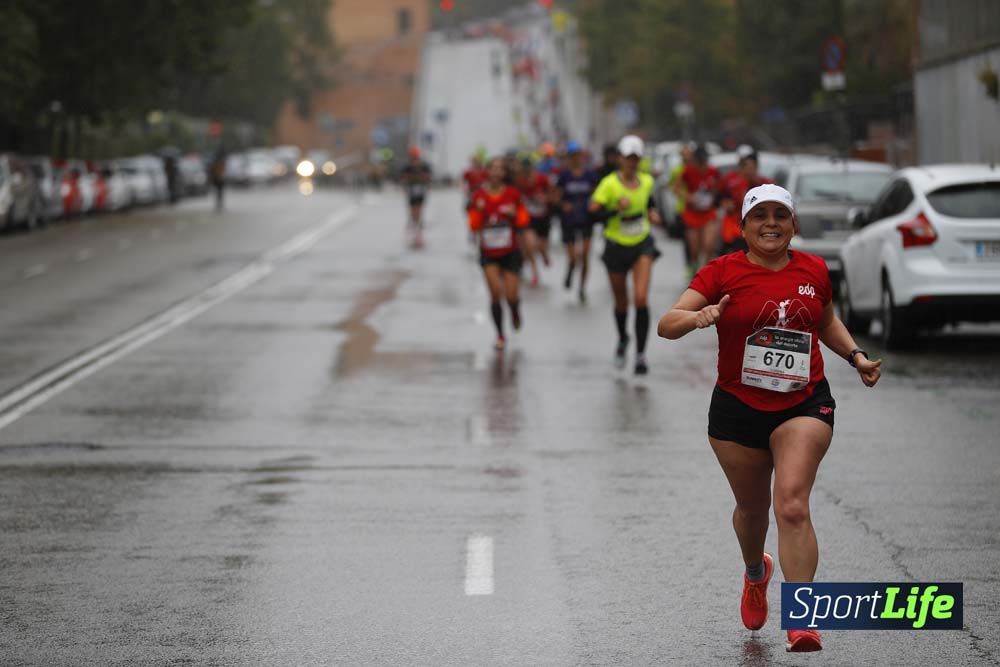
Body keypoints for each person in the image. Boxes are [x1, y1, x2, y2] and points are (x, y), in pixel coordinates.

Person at [657, 184, 883, 653]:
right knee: (752, 512)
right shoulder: (722, 271)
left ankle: (804, 619)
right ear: (743, 227)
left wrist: (855, 355)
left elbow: (825, 322)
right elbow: (667, 322)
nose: (772, 223)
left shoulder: (814, 270)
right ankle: (756, 572)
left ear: (794, 224)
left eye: (782, 214)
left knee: (793, 505)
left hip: (803, 402)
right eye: (761, 216)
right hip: (738, 409)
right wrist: (698, 318)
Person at [588, 135, 663, 375]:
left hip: (642, 243)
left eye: (636, 159)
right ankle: (623, 338)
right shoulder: (609, 184)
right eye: (628, 158)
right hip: (616, 245)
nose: (632, 163)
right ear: (620, 158)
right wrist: (613, 210)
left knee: (640, 299)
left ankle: (641, 355)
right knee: (622, 302)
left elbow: (649, 202)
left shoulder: (647, 181)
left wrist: (652, 213)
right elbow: (592, 214)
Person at [468, 157, 531, 350]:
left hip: (510, 251)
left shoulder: (512, 194)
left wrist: (514, 215)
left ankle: (515, 310)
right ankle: (500, 335)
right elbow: (473, 225)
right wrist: (478, 213)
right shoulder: (479, 196)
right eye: (492, 169)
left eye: (500, 169)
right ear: (487, 172)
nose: (496, 172)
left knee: (511, 296)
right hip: (489, 252)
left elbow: (524, 220)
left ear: (504, 173)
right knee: (495, 294)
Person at [555, 140, 599, 303]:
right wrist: (563, 205)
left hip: (586, 219)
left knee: (585, 256)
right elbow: (556, 196)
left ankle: (582, 287)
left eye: (577, 155)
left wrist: (594, 205)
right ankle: (570, 270)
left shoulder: (590, 175)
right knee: (574, 257)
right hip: (569, 220)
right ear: (568, 157)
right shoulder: (564, 176)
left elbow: (598, 195)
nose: (575, 159)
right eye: (572, 156)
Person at [718, 148, 770, 255]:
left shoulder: (765, 184)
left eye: (752, 167)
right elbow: (721, 198)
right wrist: (726, 204)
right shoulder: (732, 182)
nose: (749, 171)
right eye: (747, 167)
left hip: (759, 226)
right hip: (736, 226)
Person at [678, 145, 721, 273]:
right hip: (692, 214)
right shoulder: (688, 171)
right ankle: (694, 267)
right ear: (695, 161)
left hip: (708, 213)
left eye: (704, 162)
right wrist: (689, 197)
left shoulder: (713, 171)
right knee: (694, 248)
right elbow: (676, 188)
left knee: (709, 244)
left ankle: (706, 272)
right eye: (700, 162)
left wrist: (713, 196)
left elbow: (719, 188)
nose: (702, 165)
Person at [515, 157, 554, 287]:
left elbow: (553, 194)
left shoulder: (542, 179)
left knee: (541, 246)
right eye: (523, 169)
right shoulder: (519, 181)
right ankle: (535, 273)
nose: (526, 172)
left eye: (528, 169)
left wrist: (545, 198)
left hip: (543, 217)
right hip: (528, 219)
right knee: (530, 245)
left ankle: (544, 254)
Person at [400, 147, 432, 247]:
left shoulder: (424, 166)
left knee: (419, 212)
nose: (414, 159)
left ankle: (419, 235)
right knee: (413, 213)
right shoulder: (407, 167)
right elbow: (403, 177)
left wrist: (424, 179)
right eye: (413, 157)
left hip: (420, 192)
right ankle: (413, 233)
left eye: (415, 157)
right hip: (411, 192)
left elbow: (428, 176)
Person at [208, 147, 227, 212]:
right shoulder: (219, 161)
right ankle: (219, 203)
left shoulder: (220, 161)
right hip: (218, 179)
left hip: (219, 179)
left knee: (219, 192)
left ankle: (219, 203)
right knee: (219, 192)